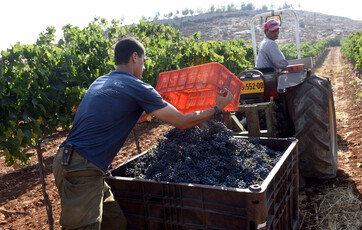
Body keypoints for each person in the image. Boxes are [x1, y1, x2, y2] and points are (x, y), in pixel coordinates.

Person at [52, 37, 233, 229]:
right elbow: (181, 121)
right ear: (134, 57)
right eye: (144, 62)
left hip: (70, 161)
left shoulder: (102, 81)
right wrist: (217, 108)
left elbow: (110, 113)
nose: (144, 68)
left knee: (116, 224)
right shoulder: (136, 86)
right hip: (82, 168)